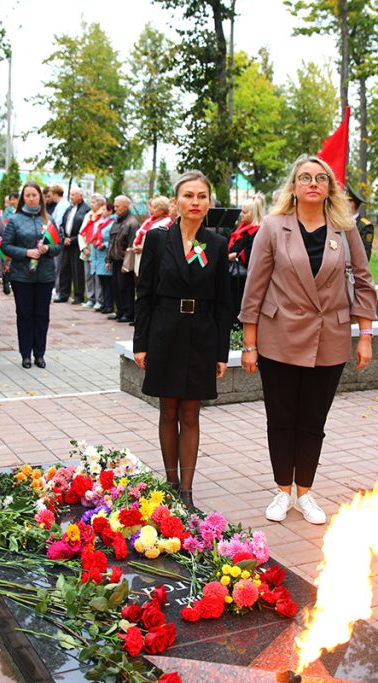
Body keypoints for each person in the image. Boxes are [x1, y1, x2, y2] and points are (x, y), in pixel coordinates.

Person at [239, 156, 377, 525]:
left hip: (328, 338)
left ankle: (306, 492)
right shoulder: (272, 226)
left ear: (329, 187)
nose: (312, 183)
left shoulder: (344, 229)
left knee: (313, 420)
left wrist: (365, 336)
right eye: (305, 177)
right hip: (279, 336)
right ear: (294, 186)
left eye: (320, 178)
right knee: (281, 418)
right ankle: (283, 491)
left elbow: (363, 282)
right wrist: (249, 344)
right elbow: (254, 288)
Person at [133, 171, 232, 508]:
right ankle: (170, 482)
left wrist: (222, 351)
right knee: (167, 411)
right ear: (175, 202)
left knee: (191, 414)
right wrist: (140, 343)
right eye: (188, 196)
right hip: (165, 333)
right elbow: (143, 293)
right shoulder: (159, 240)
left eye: (201, 196)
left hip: (201, 335)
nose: (195, 202)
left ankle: (186, 491)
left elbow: (224, 302)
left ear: (209, 203)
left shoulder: (217, 244)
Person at [2, 182, 62, 368]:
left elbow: (58, 246)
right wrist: (26, 253)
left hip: (45, 276)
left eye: (34, 195)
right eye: (27, 195)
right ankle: (25, 354)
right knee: (25, 314)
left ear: (40, 198)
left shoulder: (49, 220)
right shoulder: (15, 220)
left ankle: (40, 354)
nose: (31, 198)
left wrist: (47, 248)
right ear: (23, 198)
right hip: (22, 276)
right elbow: (5, 245)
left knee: (42, 315)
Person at [227, 196, 265, 323]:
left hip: (244, 278)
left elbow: (252, 254)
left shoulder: (258, 231)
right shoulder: (240, 229)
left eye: (244, 212)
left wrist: (235, 256)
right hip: (233, 276)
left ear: (253, 213)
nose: (241, 215)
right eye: (241, 211)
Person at [109, 195, 140, 322]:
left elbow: (132, 245)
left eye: (117, 206)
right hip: (115, 259)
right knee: (116, 287)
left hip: (125, 261)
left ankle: (128, 313)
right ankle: (120, 310)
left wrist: (127, 263)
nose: (115, 208)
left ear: (125, 207)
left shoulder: (132, 222)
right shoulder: (117, 221)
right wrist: (108, 259)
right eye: (115, 206)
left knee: (126, 288)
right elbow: (112, 241)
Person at [57, 187, 89, 304]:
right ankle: (63, 294)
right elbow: (61, 225)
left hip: (77, 244)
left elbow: (85, 228)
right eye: (70, 195)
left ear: (80, 196)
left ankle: (78, 295)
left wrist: (73, 239)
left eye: (74, 195)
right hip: (66, 242)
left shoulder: (86, 210)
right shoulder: (69, 209)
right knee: (64, 269)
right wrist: (63, 238)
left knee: (77, 270)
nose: (71, 197)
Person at [129, 196, 173, 278]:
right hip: (140, 259)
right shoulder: (149, 220)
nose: (151, 210)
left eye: (155, 208)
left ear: (162, 210)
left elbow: (163, 243)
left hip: (152, 262)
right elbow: (139, 234)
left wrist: (143, 248)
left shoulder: (167, 222)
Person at [79, 194, 107, 308]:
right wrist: (84, 248)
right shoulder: (88, 215)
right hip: (87, 248)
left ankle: (99, 300)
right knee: (88, 275)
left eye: (94, 202)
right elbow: (81, 232)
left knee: (98, 276)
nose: (91, 204)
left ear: (100, 204)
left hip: (97, 249)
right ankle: (90, 298)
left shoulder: (103, 215)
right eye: (91, 202)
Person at [91, 202, 116, 315]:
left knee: (108, 283)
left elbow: (112, 238)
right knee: (102, 281)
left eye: (105, 210)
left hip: (105, 254)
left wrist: (104, 244)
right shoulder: (101, 222)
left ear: (110, 211)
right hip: (98, 255)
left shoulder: (112, 223)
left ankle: (109, 304)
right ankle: (104, 304)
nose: (102, 212)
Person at [346, 184, 375, 259]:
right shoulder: (339, 222)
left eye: (346, 201)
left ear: (352, 204)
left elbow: (365, 253)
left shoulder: (365, 226)